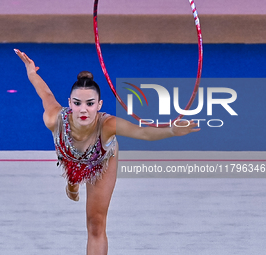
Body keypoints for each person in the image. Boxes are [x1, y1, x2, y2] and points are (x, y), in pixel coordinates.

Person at [14, 49, 200, 255]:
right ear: (69, 104)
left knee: (96, 223)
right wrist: (31, 72)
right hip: (70, 157)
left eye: (90, 104)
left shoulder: (108, 125)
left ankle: (75, 182)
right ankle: (72, 182)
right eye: (77, 103)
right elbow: (46, 94)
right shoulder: (54, 119)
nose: (83, 109)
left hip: (101, 160)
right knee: (74, 171)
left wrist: (172, 130)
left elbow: (144, 133)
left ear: (99, 105)